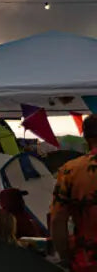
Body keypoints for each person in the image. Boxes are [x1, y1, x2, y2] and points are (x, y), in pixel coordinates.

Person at [52, 114, 97, 271]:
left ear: (86, 138)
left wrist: (65, 257)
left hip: (87, 261)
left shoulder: (70, 170)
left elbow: (57, 219)